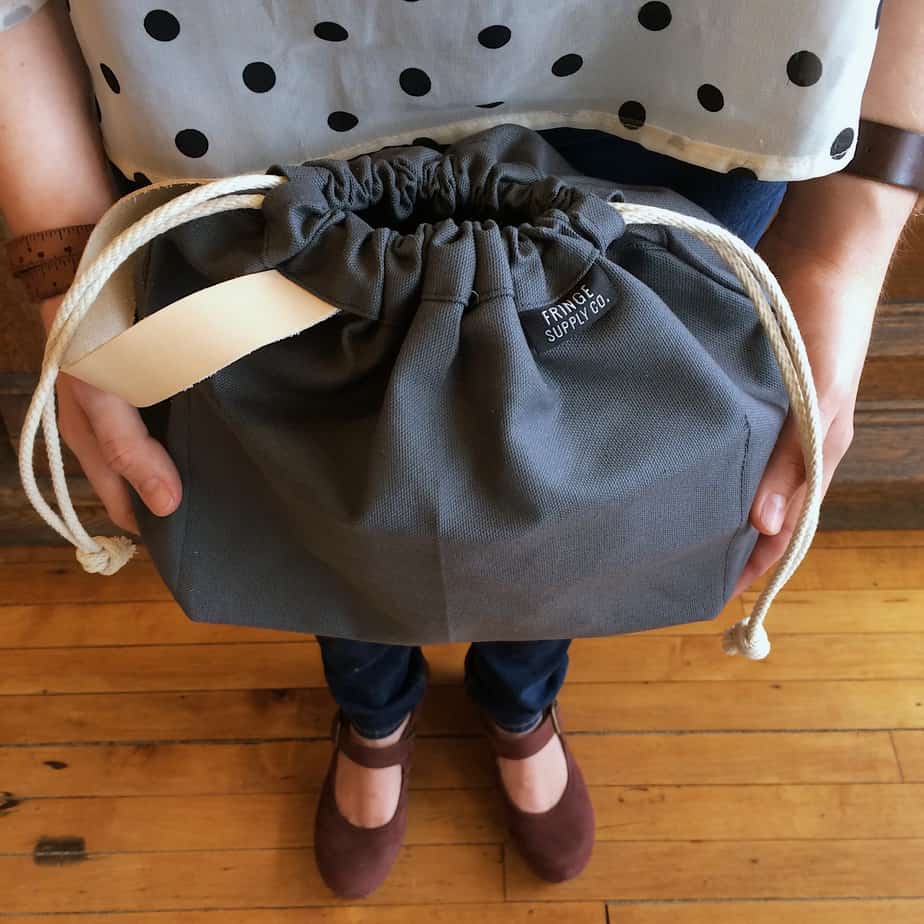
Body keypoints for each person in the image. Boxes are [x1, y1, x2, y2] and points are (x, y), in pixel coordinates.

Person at [1, 0, 921, 901]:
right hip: (245, 104)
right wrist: (65, 258)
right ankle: (373, 712)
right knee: (322, 487)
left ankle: (521, 698)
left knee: (569, 502)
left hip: (692, 90)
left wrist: (846, 241)